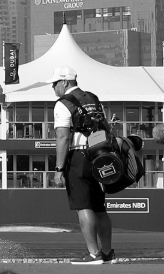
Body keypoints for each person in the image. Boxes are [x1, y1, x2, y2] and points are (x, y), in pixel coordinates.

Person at [49, 66, 114, 265]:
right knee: (99, 208)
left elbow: (62, 138)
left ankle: (94, 254)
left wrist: (59, 169)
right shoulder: (93, 98)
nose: (53, 87)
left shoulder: (63, 103)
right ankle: (107, 253)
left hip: (79, 156)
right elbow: (105, 127)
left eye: (55, 83)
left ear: (64, 82)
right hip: (100, 154)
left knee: (83, 206)